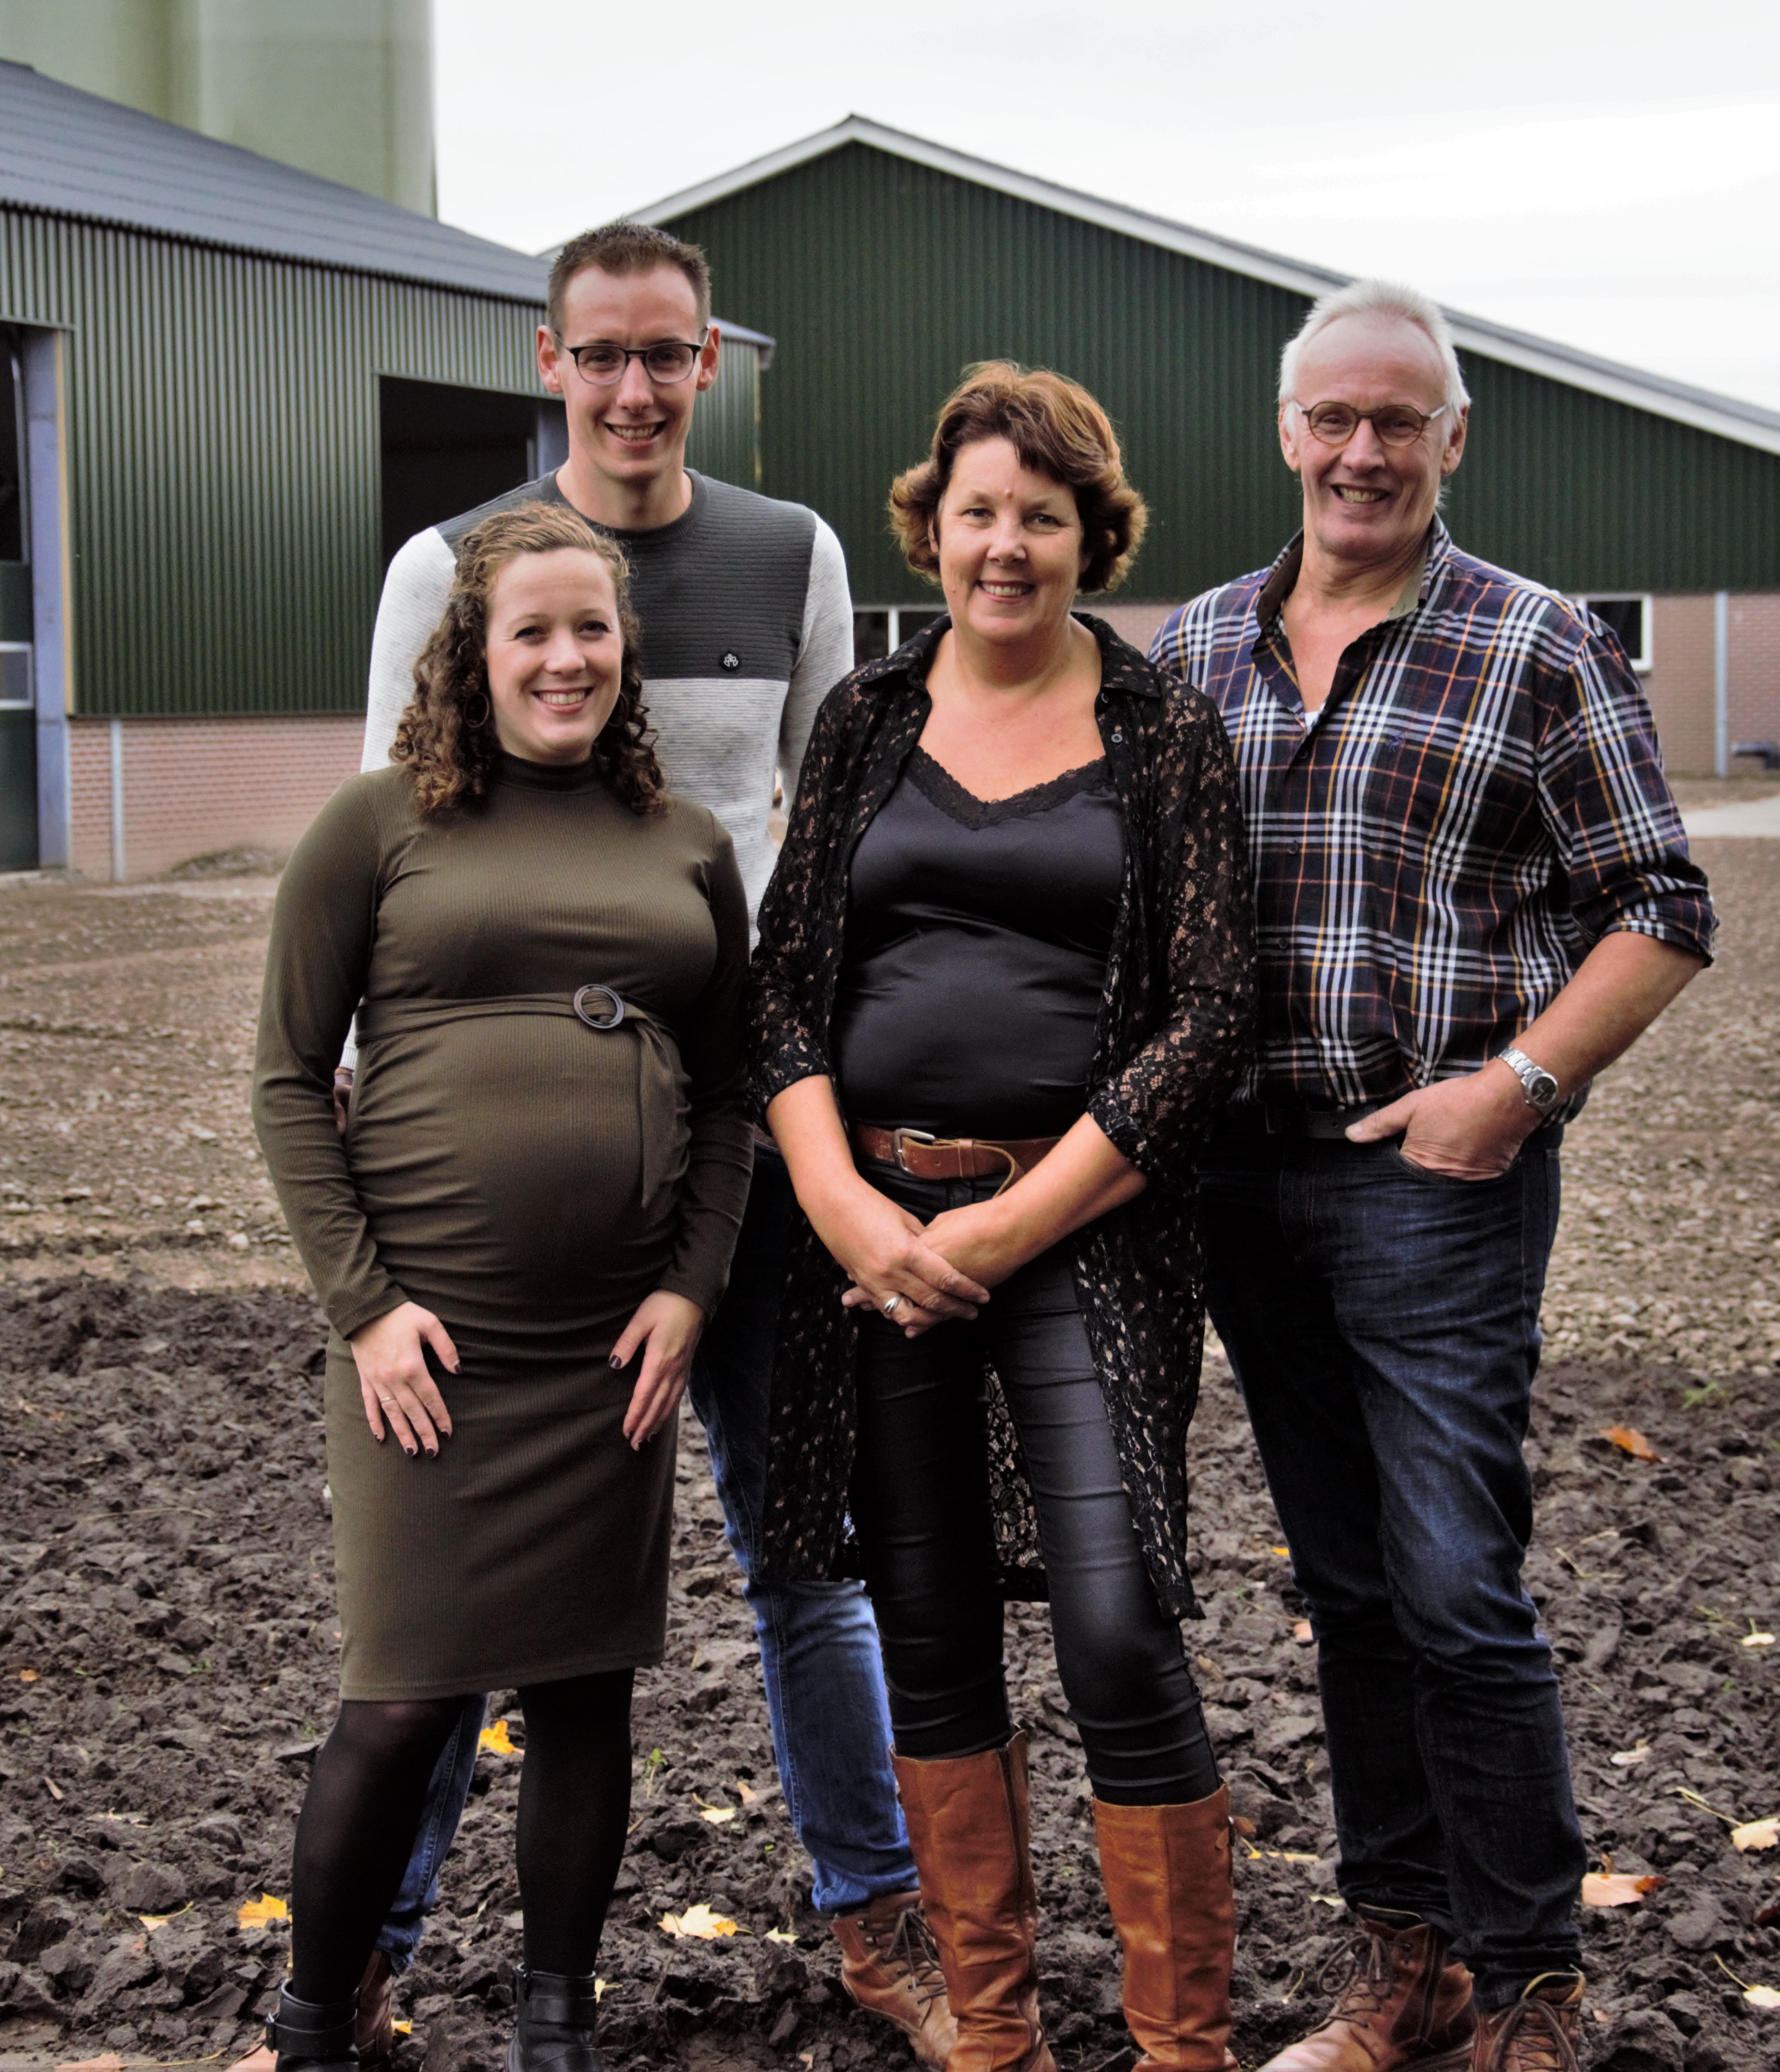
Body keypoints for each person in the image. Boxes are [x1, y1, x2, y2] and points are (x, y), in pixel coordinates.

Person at [352, 226, 951, 2062]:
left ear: (711, 366)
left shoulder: (795, 558)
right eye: (601, 354)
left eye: (668, 355)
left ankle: (877, 1923)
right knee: (465, 1581)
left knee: (804, 1552)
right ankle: (363, 1953)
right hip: (515, 1182)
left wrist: (832, 1111)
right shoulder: (447, 571)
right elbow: (388, 862)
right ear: (549, 363)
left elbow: (832, 842)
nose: (634, 387)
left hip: (752, 1139)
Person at [1152, 282, 1716, 2072]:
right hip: (1245, 1182)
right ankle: (1406, 1966)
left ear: (1453, 439)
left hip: (1432, 1179)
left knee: (1460, 1581)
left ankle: (1536, 1983)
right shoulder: (1197, 651)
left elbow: (1662, 905)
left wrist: (1524, 1085)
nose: (1363, 451)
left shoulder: (1538, 643)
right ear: (1285, 429)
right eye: (1334, 417)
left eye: (1400, 421)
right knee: (1351, 1587)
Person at [749, 364, 1256, 2072]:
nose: (1006, 545)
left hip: (1079, 1241)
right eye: (979, 511)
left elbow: (1207, 1022)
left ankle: (1182, 2045)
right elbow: (783, 993)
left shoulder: (1164, 730)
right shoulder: (868, 723)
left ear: (1089, 535)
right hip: (873, 1242)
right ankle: (996, 2034)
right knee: (929, 1620)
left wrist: (1002, 1229)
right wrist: (841, 1206)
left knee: (1118, 1622)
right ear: (935, 522)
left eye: (1042, 515)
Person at [251, 503, 755, 2072]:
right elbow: (284, 1079)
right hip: (431, 1348)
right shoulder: (378, 823)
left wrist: (690, 1292)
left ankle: (556, 2025)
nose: (565, 658)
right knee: (399, 1703)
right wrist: (363, 1307)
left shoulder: (687, 844)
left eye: (591, 629)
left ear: (627, 648)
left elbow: (737, 1093)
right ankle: (320, 2025)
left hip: (612, 1352)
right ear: (473, 648)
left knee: (587, 1695)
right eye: (531, 629)